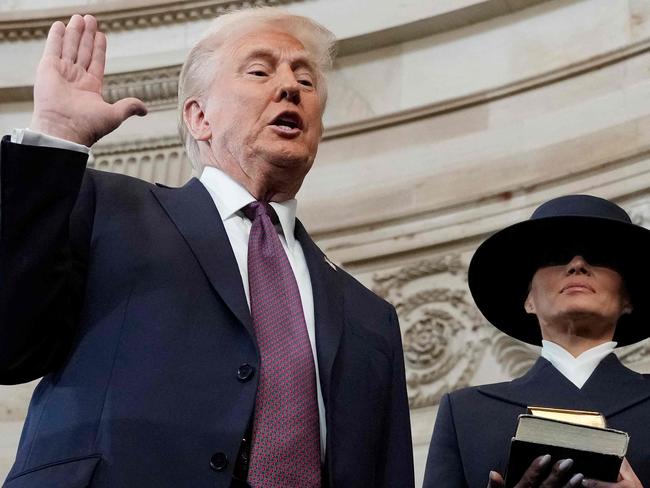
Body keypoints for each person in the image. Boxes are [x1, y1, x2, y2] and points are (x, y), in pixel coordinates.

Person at [0, 9, 414, 488]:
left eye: (306, 79)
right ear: (199, 117)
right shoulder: (106, 209)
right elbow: (10, 345)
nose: (290, 88)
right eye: (260, 71)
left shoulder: (371, 319)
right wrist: (56, 133)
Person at [423, 194, 650, 488]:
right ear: (528, 299)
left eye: (600, 255)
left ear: (628, 299)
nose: (577, 264)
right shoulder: (466, 414)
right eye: (556, 255)